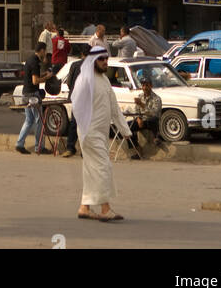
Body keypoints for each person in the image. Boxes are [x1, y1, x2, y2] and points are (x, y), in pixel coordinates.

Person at [71, 47, 131, 221]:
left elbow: (113, 107)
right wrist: (84, 126)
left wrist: (124, 129)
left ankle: (84, 207)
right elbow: (76, 103)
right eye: (101, 59)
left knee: (91, 170)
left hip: (101, 132)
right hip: (89, 132)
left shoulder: (104, 80)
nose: (105, 61)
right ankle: (105, 209)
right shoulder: (85, 80)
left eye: (106, 58)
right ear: (93, 61)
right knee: (104, 167)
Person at [16, 42, 49, 155]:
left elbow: (33, 76)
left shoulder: (30, 60)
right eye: (45, 51)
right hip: (33, 95)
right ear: (41, 50)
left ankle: (19, 144)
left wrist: (43, 74)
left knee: (29, 120)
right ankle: (39, 147)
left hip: (25, 93)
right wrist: (47, 78)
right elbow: (35, 81)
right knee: (39, 120)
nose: (45, 54)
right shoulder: (35, 62)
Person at [62, 43, 91, 157]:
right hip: (86, 99)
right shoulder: (92, 66)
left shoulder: (74, 65)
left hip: (76, 98)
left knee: (74, 123)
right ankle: (84, 151)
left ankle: (70, 147)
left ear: (81, 54)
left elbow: (69, 83)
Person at [130, 72, 162, 156]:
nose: (145, 88)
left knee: (153, 119)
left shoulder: (156, 99)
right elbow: (136, 110)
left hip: (151, 121)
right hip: (142, 121)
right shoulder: (140, 96)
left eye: (147, 85)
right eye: (143, 85)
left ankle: (157, 137)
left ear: (151, 86)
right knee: (127, 127)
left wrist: (142, 105)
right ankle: (137, 149)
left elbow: (154, 113)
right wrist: (138, 119)